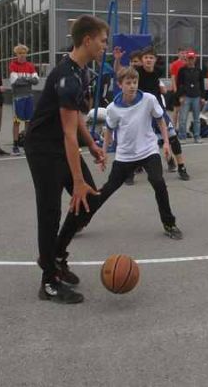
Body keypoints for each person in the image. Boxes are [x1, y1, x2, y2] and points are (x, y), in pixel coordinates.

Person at [52, 66, 184, 268]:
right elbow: (109, 131)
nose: (132, 86)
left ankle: (169, 223)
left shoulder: (148, 99)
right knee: (105, 191)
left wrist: (166, 143)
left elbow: (161, 121)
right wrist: (104, 152)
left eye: (134, 82)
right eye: (128, 83)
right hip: (125, 155)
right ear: (120, 85)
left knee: (158, 181)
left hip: (148, 150)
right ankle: (80, 222)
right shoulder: (113, 108)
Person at [24, 15, 109, 304]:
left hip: (60, 143)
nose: (104, 46)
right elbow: (68, 134)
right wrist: (77, 180)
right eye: (102, 41)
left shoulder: (80, 72)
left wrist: (92, 144)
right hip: (43, 147)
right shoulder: (66, 76)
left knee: (90, 201)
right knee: (50, 212)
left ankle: (56, 255)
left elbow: (75, 118)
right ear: (87, 40)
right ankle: (48, 282)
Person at [114, 45, 192, 181]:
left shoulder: (158, 71)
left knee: (172, 137)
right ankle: (130, 172)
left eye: (151, 57)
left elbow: (164, 84)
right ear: (142, 60)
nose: (148, 60)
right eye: (146, 57)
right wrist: (117, 60)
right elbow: (119, 72)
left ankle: (181, 167)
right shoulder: (136, 71)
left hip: (158, 110)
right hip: (141, 111)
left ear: (155, 60)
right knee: (136, 139)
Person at [9, 44, 40, 155]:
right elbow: (14, 81)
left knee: (28, 121)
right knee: (17, 122)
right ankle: (15, 145)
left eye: (23, 53)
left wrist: (23, 78)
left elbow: (36, 81)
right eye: (20, 53)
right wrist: (29, 79)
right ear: (16, 54)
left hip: (29, 97)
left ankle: (26, 144)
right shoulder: (13, 65)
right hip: (18, 98)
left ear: (26, 54)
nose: (22, 55)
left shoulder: (30, 65)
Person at [176, 50, 205, 143]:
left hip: (196, 96)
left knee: (197, 119)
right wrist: (180, 96)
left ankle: (197, 136)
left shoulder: (199, 70)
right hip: (186, 96)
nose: (190, 61)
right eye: (189, 59)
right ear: (186, 59)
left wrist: (203, 97)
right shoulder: (182, 70)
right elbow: (179, 84)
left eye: (192, 59)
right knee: (183, 118)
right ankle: (182, 137)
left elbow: (202, 84)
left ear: (195, 59)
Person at [169, 47, 187, 126]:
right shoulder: (175, 64)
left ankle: (182, 127)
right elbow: (173, 78)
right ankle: (174, 126)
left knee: (184, 109)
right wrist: (175, 89)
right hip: (178, 88)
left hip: (185, 89)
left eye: (185, 53)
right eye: (182, 53)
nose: (184, 55)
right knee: (176, 109)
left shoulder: (187, 63)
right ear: (178, 54)